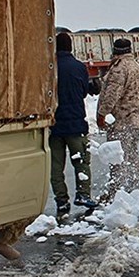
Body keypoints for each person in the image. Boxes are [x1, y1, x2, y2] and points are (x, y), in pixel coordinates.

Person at [50, 32, 98, 220]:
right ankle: (83, 194)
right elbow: (85, 91)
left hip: (54, 126)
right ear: (70, 47)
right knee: (81, 162)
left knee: (56, 167)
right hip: (76, 124)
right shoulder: (79, 67)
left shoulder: (50, 69)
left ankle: (61, 200)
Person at [96, 38, 139, 204]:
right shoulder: (138, 67)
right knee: (132, 156)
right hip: (136, 119)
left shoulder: (120, 68)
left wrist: (101, 114)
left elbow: (112, 94)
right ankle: (135, 190)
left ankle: (115, 195)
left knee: (117, 159)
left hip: (123, 120)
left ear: (116, 51)